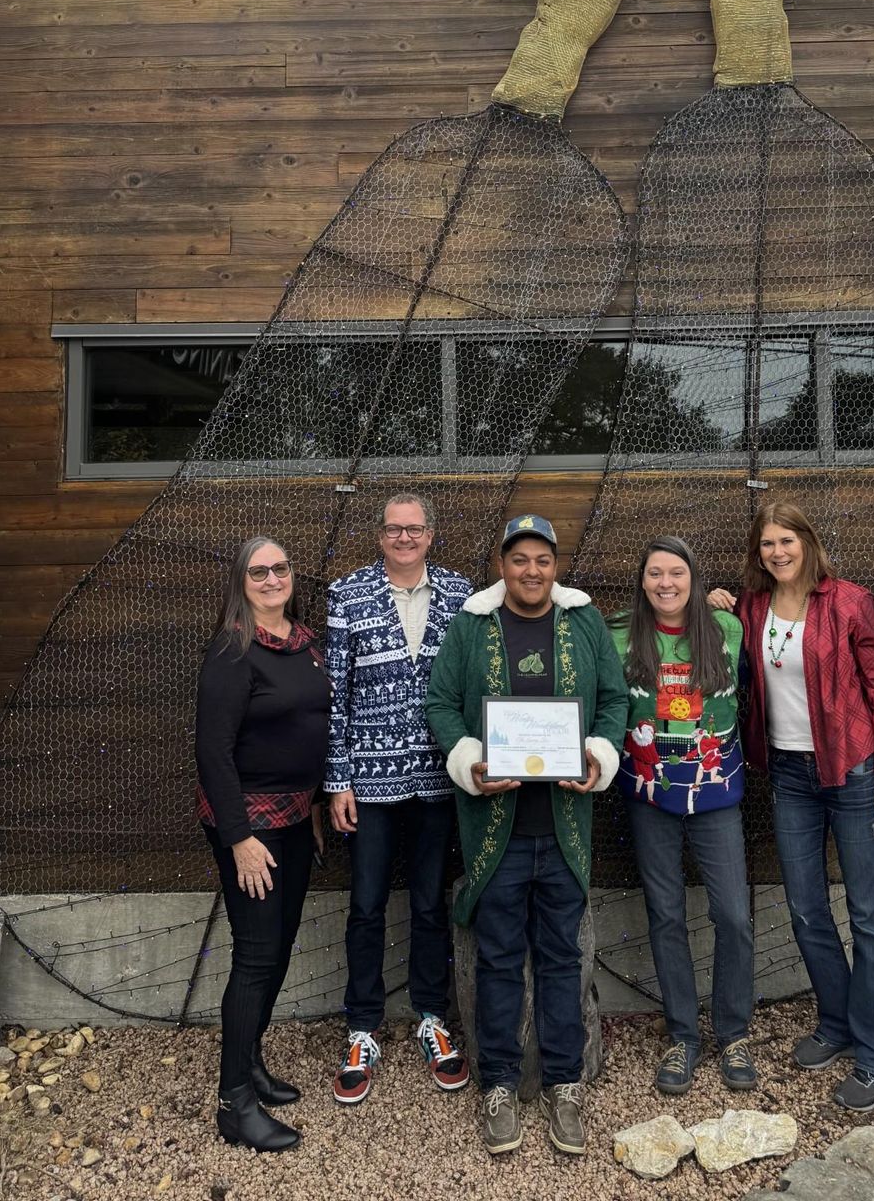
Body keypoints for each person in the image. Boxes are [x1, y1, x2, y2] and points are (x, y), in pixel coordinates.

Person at [425, 515, 628, 1158]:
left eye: (543, 559)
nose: (532, 571)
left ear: (555, 565)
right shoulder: (472, 625)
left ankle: (566, 1084)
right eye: (520, 560)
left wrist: (597, 753)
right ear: (503, 564)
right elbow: (442, 703)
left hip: (564, 827)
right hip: (496, 829)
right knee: (498, 959)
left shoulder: (584, 622)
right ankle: (501, 1085)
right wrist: (469, 762)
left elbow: (615, 699)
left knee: (564, 960)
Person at [709, 501, 874, 1113]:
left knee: (870, 914)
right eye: (767, 543)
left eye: (786, 540)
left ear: (808, 542)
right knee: (805, 909)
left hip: (852, 773)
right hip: (790, 774)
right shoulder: (751, 607)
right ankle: (839, 1022)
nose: (777, 552)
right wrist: (716, 603)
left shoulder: (849, 601)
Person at [324, 491, 474, 1104]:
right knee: (365, 904)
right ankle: (362, 1027)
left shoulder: (464, 596)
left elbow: (475, 683)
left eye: (414, 529)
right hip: (371, 783)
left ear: (431, 535)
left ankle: (433, 1020)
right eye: (394, 529)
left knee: (431, 903)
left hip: (440, 781)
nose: (405, 538)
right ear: (380, 535)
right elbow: (334, 694)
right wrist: (337, 779)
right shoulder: (347, 594)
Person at [194, 537, 332, 1152]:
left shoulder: (305, 645)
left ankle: (249, 1061)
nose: (272, 578)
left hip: (298, 818)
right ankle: (234, 1104)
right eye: (259, 571)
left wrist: (321, 800)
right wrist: (240, 838)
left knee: (276, 948)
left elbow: (309, 728)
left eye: (280, 568)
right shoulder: (233, 650)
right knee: (255, 955)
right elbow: (212, 753)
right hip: (251, 825)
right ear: (242, 581)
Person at [609, 536, 756, 1099]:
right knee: (666, 914)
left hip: (715, 792)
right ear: (641, 580)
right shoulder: (618, 630)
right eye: (654, 574)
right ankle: (683, 1034)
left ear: (693, 578)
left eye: (676, 573)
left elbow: (747, 689)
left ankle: (734, 1031)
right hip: (650, 795)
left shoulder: (728, 627)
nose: (665, 583)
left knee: (734, 916)